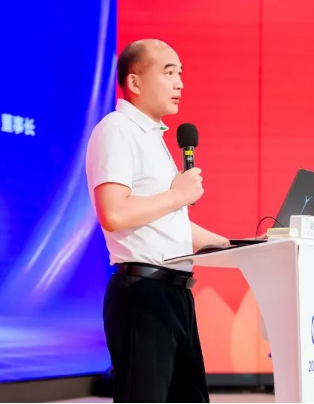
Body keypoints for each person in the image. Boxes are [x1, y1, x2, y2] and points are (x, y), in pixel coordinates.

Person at [85, 39, 230, 403]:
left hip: (175, 294)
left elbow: (167, 223)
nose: (179, 83)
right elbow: (114, 213)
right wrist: (179, 195)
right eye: (168, 73)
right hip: (143, 296)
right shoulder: (116, 129)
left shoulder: (154, 138)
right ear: (134, 82)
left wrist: (237, 246)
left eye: (180, 73)